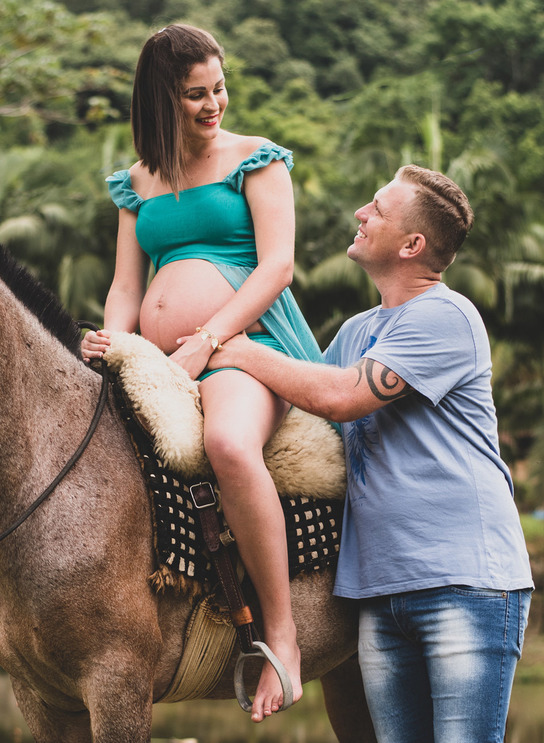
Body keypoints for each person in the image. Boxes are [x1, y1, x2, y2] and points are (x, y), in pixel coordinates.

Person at [208, 164, 534, 742]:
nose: (361, 213)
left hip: (465, 583)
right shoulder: (359, 331)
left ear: (413, 245)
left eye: (378, 209)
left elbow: (339, 398)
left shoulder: (445, 316)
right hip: (380, 593)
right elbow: (299, 399)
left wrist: (235, 348)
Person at [79, 24, 325, 722]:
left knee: (228, 446)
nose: (213, 102)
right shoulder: (137, 180)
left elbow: (277, 266)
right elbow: (127, 287)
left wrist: (210, 336)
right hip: (161, 358)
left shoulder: (257, 159)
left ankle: (282, 636)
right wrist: (118, 348)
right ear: (162, 99)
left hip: (246, 344)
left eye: (218, 87)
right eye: (195, 94)